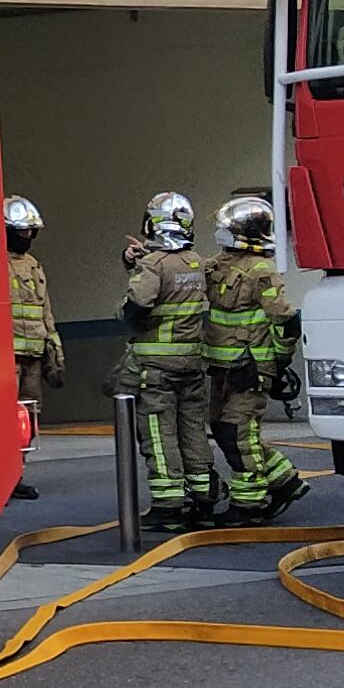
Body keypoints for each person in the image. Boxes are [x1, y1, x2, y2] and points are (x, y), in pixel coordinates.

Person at [205, 193, 310, 519]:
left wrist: (278, 363)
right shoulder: (222, 263)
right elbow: (185, 273)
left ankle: (249, 504)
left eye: (226, 228)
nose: (219, 233)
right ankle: (285, 480)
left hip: (249, 369)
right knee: (223, 429)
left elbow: (286, 321)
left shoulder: (260, 271)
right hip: (222, 368)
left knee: (239, 433)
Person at [121, 192, 215, 529]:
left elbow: (137, 307)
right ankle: (203, 499)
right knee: (193, 431)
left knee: (160, 436)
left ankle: (168, 505)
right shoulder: (196, 263)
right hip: (191, 364)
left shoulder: (154, 264)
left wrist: (137, 271)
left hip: (157, 368)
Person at [4, 196, 61, 501]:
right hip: (6, 360)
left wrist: (55, 349)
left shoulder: (35, 266)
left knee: (28, 419)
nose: (26, 236)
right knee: (4, 418)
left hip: (34, 358)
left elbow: (45, 311)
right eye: (21, 231)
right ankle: (1, 477)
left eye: (29, 231)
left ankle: (17, 474)